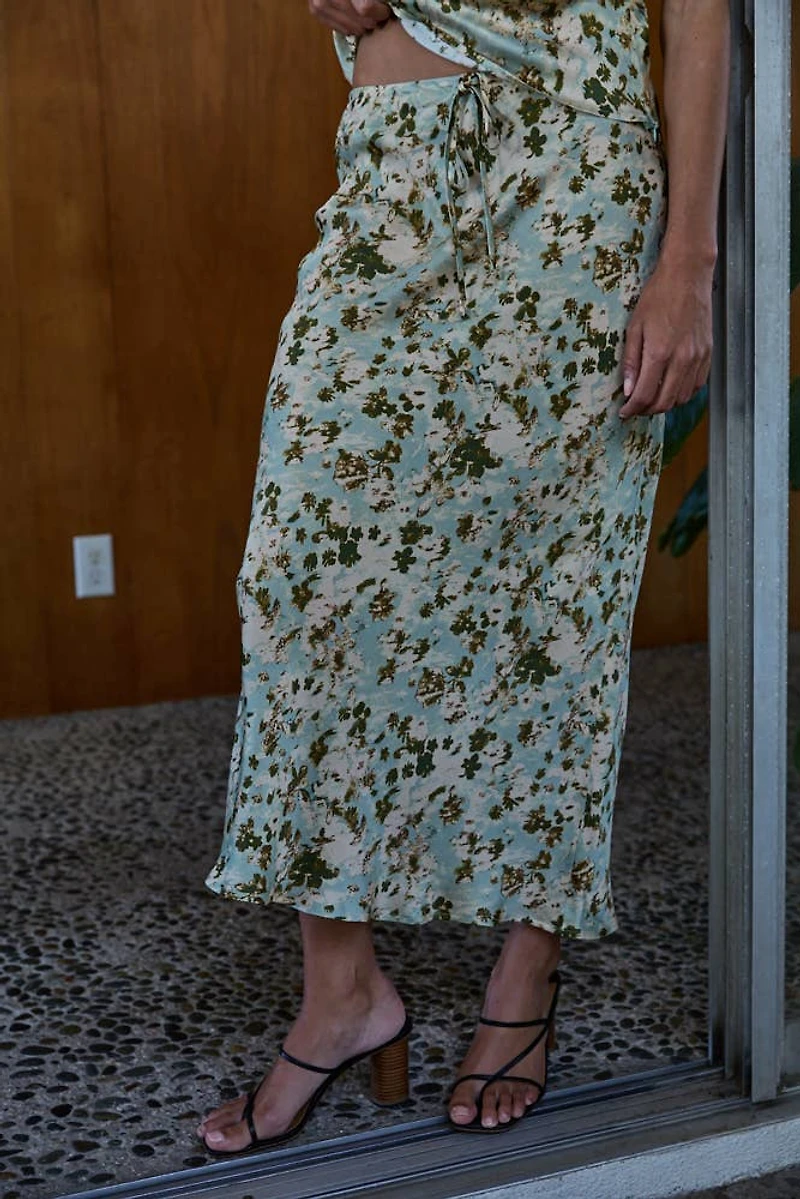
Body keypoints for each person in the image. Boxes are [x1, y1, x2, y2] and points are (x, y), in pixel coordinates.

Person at [197, 0, 729, 1153]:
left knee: (555, 590)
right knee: (303, 577)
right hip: (390, 154)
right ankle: (342, 989)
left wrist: (685, 259)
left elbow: (697, 12)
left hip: (570, 171)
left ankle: (527, 962)